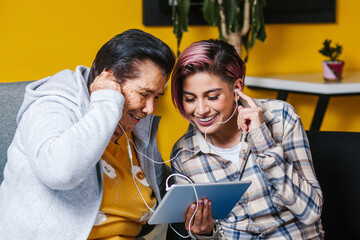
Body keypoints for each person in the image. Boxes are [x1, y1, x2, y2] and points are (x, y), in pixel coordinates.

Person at [0, 29, 175, 240]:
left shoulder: (133, 120)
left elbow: (158, 180)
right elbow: (60, 172)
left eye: (157, 97)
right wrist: (107, 102)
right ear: (108, 77)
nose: (150, 108)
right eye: (144, 94)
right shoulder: (52, 104)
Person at [168, 39, 324, 239]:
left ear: (237, 87)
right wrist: (205, 233)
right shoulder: (184, 155)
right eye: (189, 99)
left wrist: (262, 142)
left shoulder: (280, 117)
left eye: (213, 97)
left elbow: (310, 212)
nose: (201, 110)